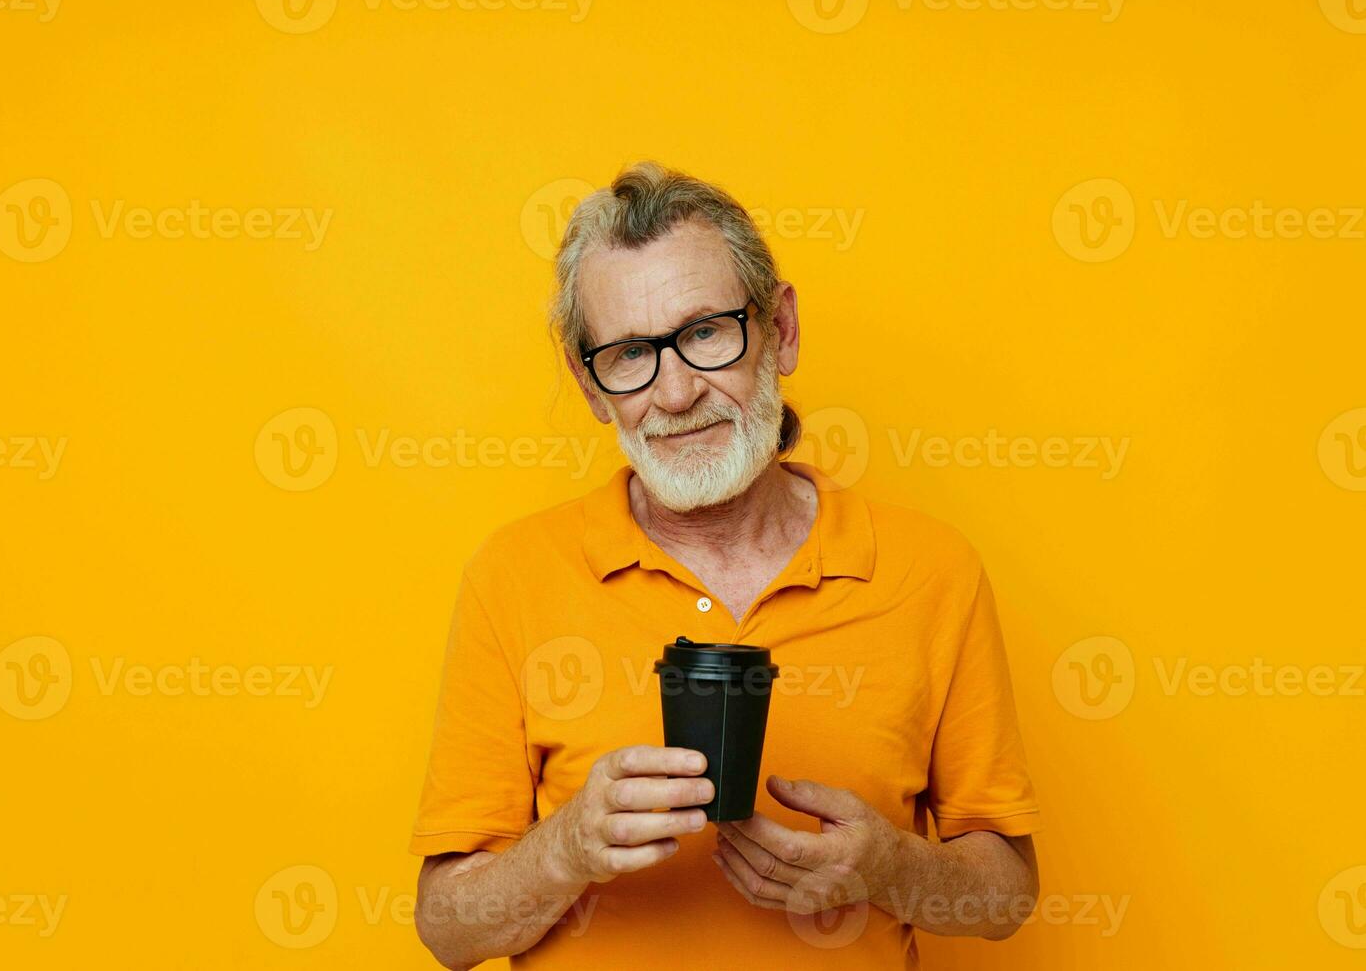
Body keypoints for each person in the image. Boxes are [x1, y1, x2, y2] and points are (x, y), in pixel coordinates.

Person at [409, 161, 1041, 969]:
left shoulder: (932, 571)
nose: (674, 393)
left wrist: (889, 866)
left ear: (780, 331)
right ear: (591, 386)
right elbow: (448, 931)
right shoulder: (513, 576)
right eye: (631, 353)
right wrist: (563, 850)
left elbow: (1006, 899)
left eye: (706, 332)